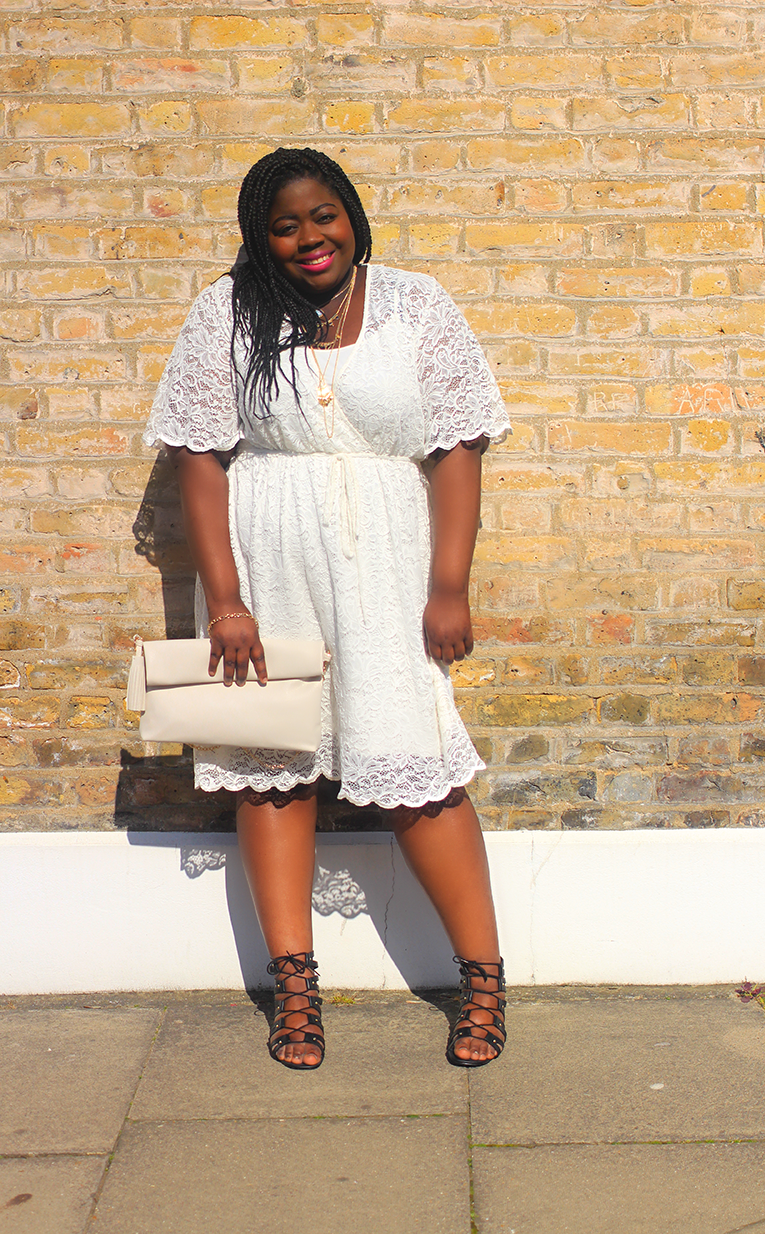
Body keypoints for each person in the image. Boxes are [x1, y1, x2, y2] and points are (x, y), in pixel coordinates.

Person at [145, 147, 511, 1071]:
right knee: (274, 768)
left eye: (324, 217)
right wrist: (224, 602)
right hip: (267, 561)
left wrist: (451, 585)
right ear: (260, 237)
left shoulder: (417, 304)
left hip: (390, 561)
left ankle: (482, 981)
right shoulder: (227, 312)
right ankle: (293, 990)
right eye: (285, 225)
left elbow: (459, 447)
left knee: (417, 767)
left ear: (352, 215)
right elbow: (199, 456)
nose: (309, 238)